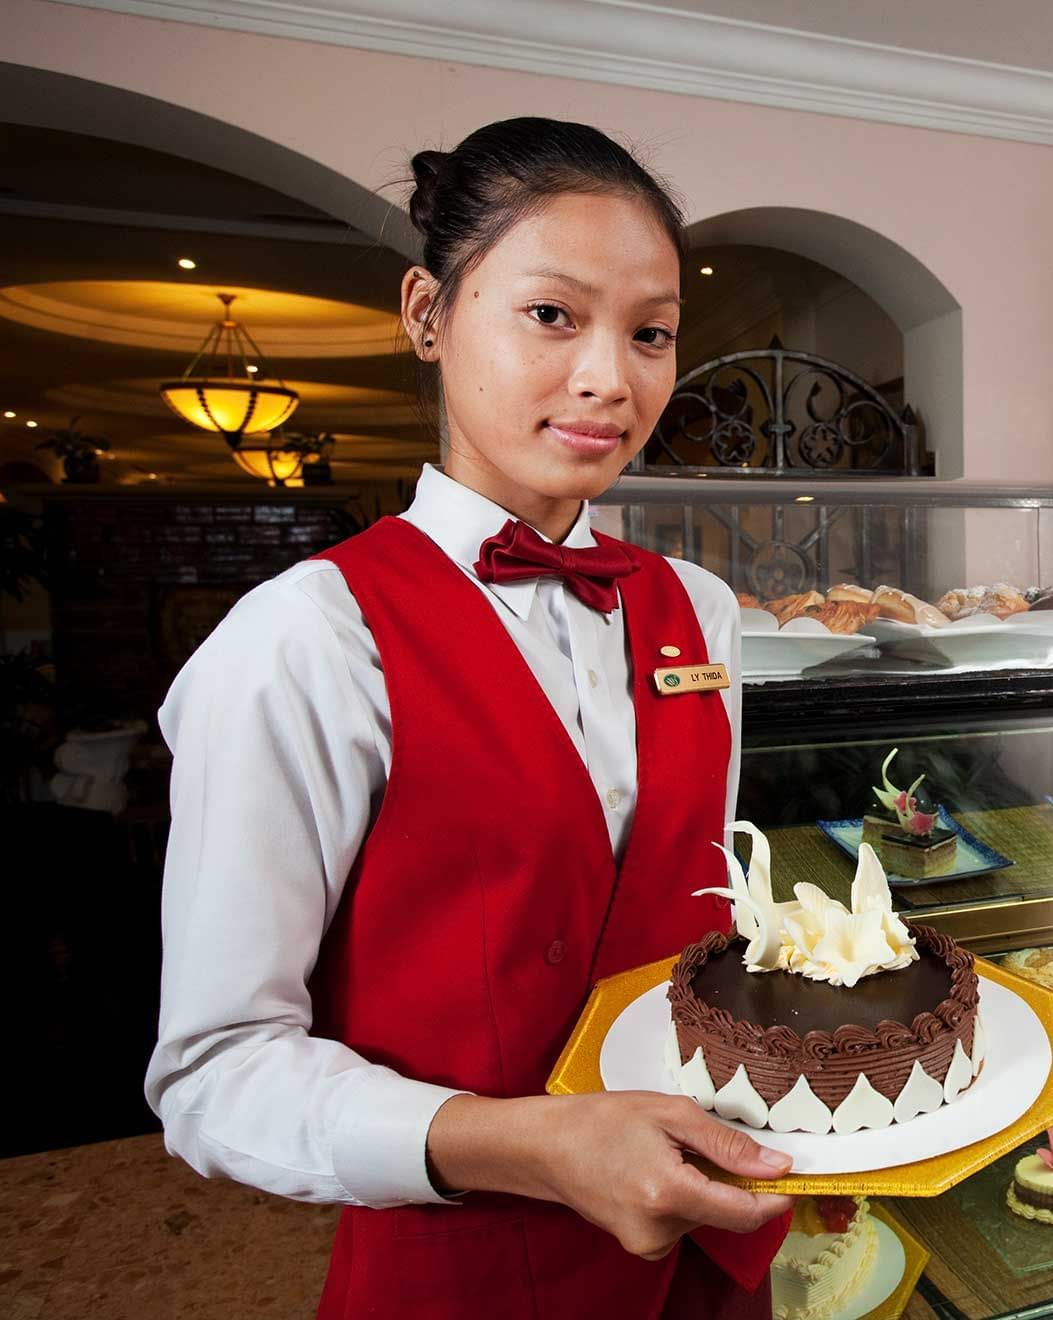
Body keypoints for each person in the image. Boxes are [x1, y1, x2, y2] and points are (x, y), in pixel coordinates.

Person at [144, 118, 793, 1319]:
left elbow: (686, 914)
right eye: (553, 315)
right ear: (430, 315)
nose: (611, 376)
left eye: (650, 333)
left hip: (712, 1258)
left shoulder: (700, 609)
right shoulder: (308, 638)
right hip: (467, 1278)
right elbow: (214, 1075)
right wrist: (531, 1147)